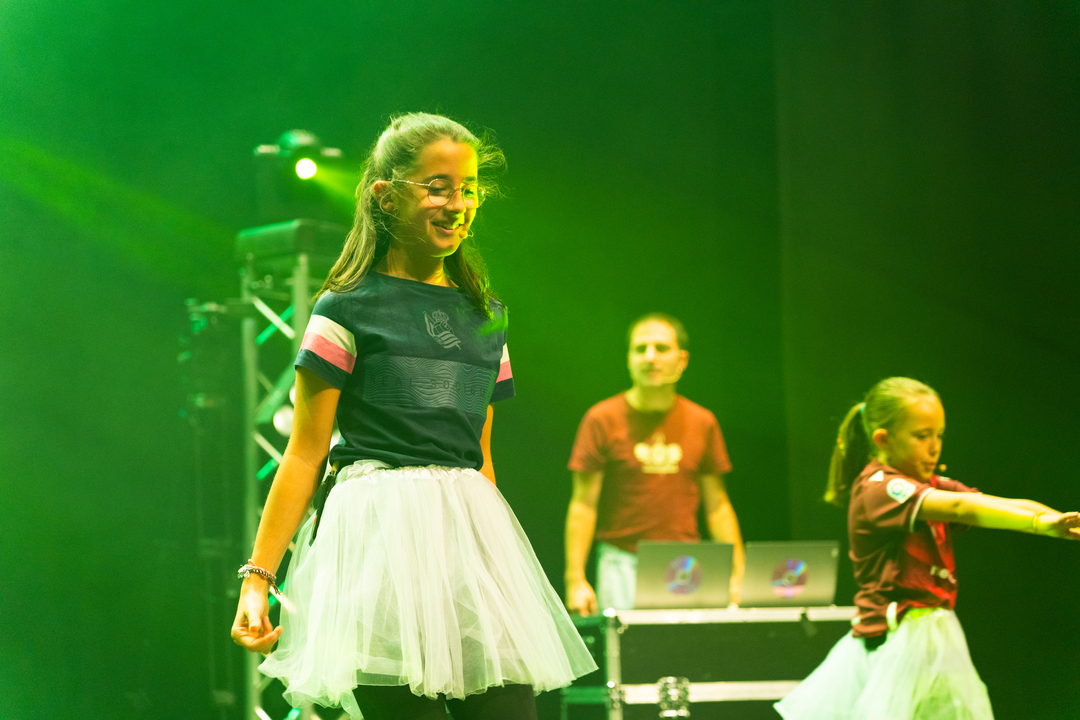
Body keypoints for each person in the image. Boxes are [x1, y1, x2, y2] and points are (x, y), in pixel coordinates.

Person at [230, 112, 596, 720]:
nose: (457, 204)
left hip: (466, 542)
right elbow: (304, 451)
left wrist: (494, 568)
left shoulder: (487, 317)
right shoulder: (345, 308)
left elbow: (479, 458)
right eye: (438, 187)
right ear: (386, 194)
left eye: (468, 189)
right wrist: (258, 576)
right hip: (380, 542)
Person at [775, 377, 1080, 720]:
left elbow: (996, 504)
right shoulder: (880, 488)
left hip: (935, 633)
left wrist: (1058, 522)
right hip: (894, 640)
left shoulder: (930, 484)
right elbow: (960, 508)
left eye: (939, 435)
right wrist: (1040, 524)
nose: (934, 447)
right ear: (883, 439)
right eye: (922, 436)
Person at [564, 313, 744, 615]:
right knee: (625, 645)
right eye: (640, 349)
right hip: (622, 564)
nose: (650, 357)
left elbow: (718, 506)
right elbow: (583, 505)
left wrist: (738, 573)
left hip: (686, 564)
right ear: (629, 359)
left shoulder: (702, 422)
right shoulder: (601, 419)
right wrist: (575, 579)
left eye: (661, 348)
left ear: (682, 359)